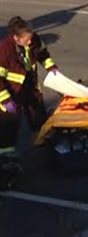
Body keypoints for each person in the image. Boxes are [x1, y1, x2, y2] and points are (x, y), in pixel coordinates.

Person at [0, 16, 57, 187]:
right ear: (16, 38)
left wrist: (52, 68)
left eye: (31, 37)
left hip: (29, 88)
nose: (30, 41)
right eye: (27, 39)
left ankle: (46, 147)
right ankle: (5, 160)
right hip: (10, 92)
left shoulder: (33, 40)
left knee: (39, 117)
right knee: (9, 127)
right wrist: (5, 99)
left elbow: (42, 54)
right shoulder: (4, 51)